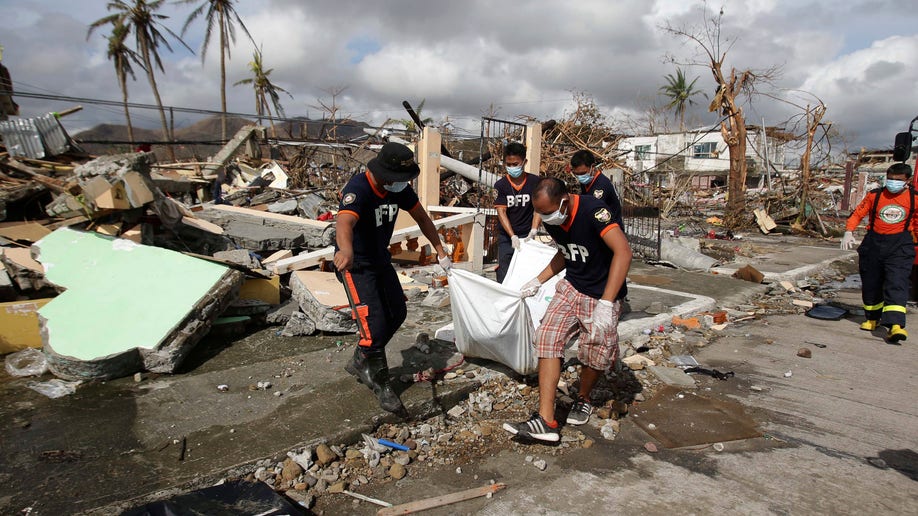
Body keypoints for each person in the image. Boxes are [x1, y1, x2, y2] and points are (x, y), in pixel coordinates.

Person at [503, 177, 632, 442]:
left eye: (549, 212)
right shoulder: (554, 219)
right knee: (547, 337)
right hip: (571, 286)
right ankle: (546, 420)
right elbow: (566, 252)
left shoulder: (593, 211)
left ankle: (583, 397)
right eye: (541, 213)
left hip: (602, 293)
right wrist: (538, 280)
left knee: (595, 352)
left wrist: (607, 303)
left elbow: (623, 252)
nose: (546, 218)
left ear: (564, 200)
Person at [334, 142, 452, 415]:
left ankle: (363, 355)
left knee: (397, 312)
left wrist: (440, 249)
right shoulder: (359, 188)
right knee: (374, 323)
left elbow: (422, 218)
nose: (404, 184)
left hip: (379, 260)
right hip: (356, 266)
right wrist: (347, 250)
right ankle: (380, 381)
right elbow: (344, 222)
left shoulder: (398, 189)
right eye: (400, 179)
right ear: (384, 174)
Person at [842, 162, 918, 343]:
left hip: (900, 245)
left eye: (898, 180)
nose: (893, 183)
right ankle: (872, 318)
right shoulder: (875, 195)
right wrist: (848, 231)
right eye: (890, 179)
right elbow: (858, 213)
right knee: (871, 282)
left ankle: (896, 325)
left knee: (897, 282)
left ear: (907, 181)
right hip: (874, 243)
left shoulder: (914, 198)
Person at [493, 142, 542, 283]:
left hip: (527, 235)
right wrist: (512, 236)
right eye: (509, 164)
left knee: (527, 270)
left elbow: (538, 208)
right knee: (505, 269)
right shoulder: (501, 185)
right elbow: (501, 212)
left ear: (524, 162)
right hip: (507, 237)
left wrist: (534, 229)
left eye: (516, 164)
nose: (512, 167)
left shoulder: (535, 182)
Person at [570, 149, 624, 226]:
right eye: (577, 174)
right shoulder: (586, 182)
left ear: (593, 167)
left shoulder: (601, 185)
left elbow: (593, 209)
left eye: (583, 173)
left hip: (610, 226)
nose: (580, 177)